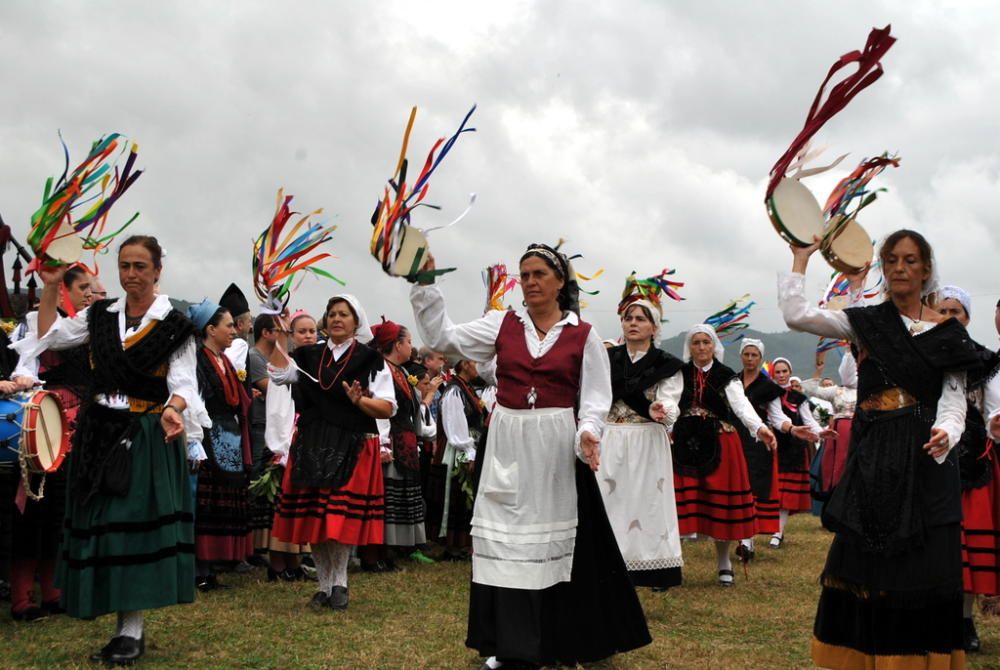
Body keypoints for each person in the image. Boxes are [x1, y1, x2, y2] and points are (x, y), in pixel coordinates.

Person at [411, 244, 650, 669]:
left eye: (540, 274)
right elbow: (442, 338)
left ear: (560, 282)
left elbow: (595, 397)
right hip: (508, 443)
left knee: (563, 548)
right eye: (525, 275)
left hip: (557, 446)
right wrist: (426, 284)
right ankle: (511, 645)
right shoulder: (501, 324)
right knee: (508, 546)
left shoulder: (583, 334)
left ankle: (561, 640)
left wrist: (589, 434)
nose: (531, 282)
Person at [780, 229, 979, 669]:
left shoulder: (946, 332)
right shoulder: (866, 320)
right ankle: (864, 658)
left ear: (926, 269)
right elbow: (797, 315)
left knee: (922, 566)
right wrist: (799, 259)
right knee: (869, 562)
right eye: (892, 260)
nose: (900, 268)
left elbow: (953, 400)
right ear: (883, 267)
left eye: (910, 260)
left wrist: (946, 432)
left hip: (928, 458)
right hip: (874, 458)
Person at [30, 235, 210, 665]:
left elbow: (183, 383)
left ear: (157, 271)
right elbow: (49, 339)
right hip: (98, 434)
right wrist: (52, 286)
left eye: (140, 267)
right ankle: (120, 624)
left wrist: (174, 410)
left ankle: (131, 629)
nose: (131, 274)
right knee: (104, 527)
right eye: (125, 266)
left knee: (133, 526)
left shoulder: (174, 325)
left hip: (145, 433)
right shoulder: (99, 315)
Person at [268, 294, 394, 611]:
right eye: (332, 314)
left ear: (355, 322)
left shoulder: (370, 359)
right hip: (312, 440)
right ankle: (324, 586)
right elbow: (280, 375)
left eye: (344, 314)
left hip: (351, 442)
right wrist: (280, 331)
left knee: (337, 518)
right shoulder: (308, 355)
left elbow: (387, 407)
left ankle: (340, 583)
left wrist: (359, 402)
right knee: (316, 517)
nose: (337, 319)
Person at [0, 266, 92, 621]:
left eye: (91, 288)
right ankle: (23, 599)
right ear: (62, 290)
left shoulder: (84, 326)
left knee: (58, 513)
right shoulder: (35, 323)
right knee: (32, 515)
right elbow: (27, 365)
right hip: (41, 426)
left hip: (73, 431)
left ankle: (53, 592)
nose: (88, 294)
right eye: (82, 287)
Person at [671, 325, 778, 586]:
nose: (701, 347)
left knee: (720, 505)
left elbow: (741, 405)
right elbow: (669, 403)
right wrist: (665, 427)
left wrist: (760, 427)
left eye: (706, 342)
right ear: (690, 347)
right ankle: (673, 564)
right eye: (696, 342)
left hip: (720, 441)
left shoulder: (726, 375)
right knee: (678, 505)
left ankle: (724, 563)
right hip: (685, 443)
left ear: (714, 345)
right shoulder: (679, 374)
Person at [597, 288, 685, 591]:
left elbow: (671, 399)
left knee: (645, 505)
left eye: (640, 319)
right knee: (609, 503)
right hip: (610, 437)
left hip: (646, 439)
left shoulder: (666, 364)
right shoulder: (606, 359)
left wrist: (663, 408)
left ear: (654, 327)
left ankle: (645, 570)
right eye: (628, 318)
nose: (633, 323)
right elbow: (594, 398)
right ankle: (606, 572)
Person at [935, 285, 1000, 652]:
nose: (948, 318)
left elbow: (994, 406)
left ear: (968, 319)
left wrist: (994, 420)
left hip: (972, 460)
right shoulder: (918, 355)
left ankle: (964, 621)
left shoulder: (986, 360)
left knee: (966, 548)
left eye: (955, 312)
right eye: (942, 311)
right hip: (925, 456)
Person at [189, 300, 253, 591]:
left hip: (229, 436)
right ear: (210, 329)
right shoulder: (197, 360)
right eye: (228, 326)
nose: (233, 331)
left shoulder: (224, 360)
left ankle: (212, 566)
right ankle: (200, 568)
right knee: (206, 504)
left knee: (222, 501)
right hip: (207, 437)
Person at [367, 319, 436, 570]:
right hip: (391, 442)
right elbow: (378, 408)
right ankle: (380, 553)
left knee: (402, 496)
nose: (411, 346)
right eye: (408, 341)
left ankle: (397, 549)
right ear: (397, 345)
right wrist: (382, 445)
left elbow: (412, 409)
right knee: (388, 498)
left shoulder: (403, 372)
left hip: (405, 442)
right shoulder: (381, 370)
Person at [733, 338, 809, 561]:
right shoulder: (731, 381)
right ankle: (744, 540)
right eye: (746, 354)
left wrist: (793, 428)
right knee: (738, 487)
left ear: (761, 358)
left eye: (754, 355)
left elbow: (777, 417)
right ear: (741, 356)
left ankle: (747, 541)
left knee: (755, 488)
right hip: (735, 439)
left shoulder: (769, 388)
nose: (749, 359)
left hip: (759, 443)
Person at [768, 357, 823, 548]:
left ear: (790, 373)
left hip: (792, 447)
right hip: (771, 445)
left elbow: (809, 420)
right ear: (773, 373)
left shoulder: (799, 398)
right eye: (778, 372)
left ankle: (778, 532)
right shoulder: (767, 394)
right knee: (770, 491)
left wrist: (820, 433)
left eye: (785, 371)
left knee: (785, 493)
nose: (782, 375)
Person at [437, 358, 487, 561]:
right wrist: (468, 451)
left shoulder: (468, 388)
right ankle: (454, 547)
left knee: (465, 499)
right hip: (459, 451)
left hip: (470, 447)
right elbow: (455, 426)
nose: (479, 367)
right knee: (458, 498)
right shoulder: (455, 391)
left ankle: (463, 545)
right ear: (465, 364)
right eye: (475, 362)